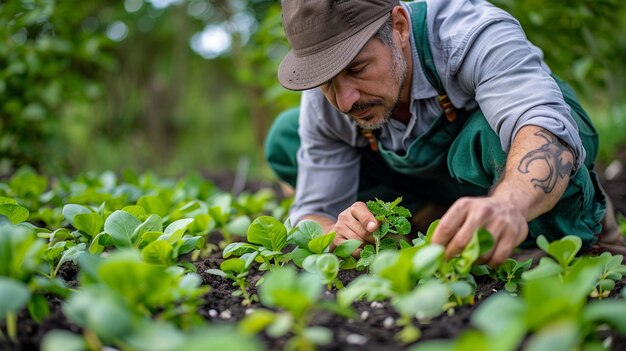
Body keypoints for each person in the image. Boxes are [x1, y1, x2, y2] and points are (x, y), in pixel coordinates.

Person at [265, 0, 623, 266]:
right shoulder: (327, 96)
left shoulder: (468, 33)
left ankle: (578, 235)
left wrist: (506, 206)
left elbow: (540, 125)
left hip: (506, 160)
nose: (344, 101)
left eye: (358, 68)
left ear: (400, 27)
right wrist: (334, 231)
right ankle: (436, 219)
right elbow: (312, 210)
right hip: (438, 179)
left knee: (499, 136)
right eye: (328, 82)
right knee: (286, 135)